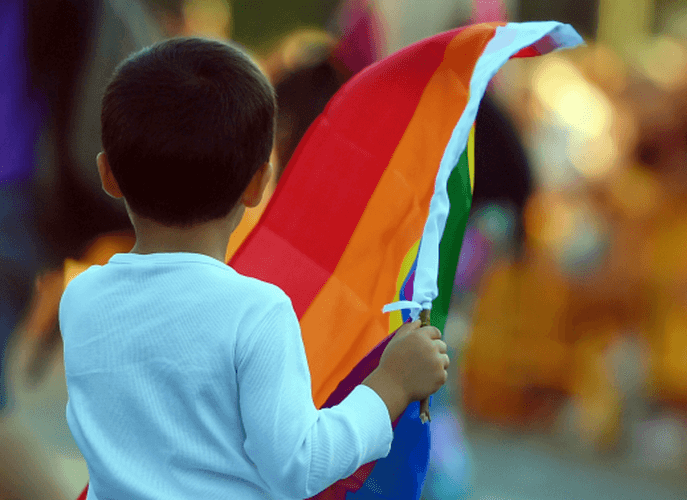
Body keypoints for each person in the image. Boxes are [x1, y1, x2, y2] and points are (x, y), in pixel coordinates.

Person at [59, 37, 449, 499]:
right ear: (258, 183)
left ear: (108, 175)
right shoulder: (257, 313)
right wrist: (391, 384)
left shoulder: (81, 297)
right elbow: (300, 464)